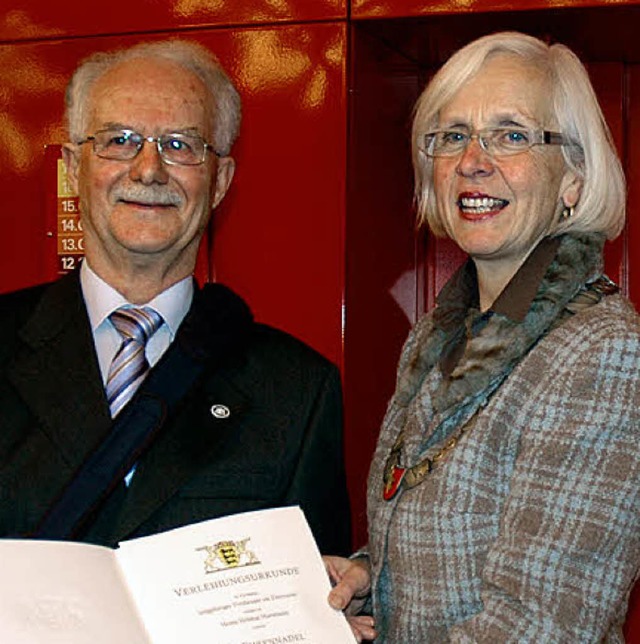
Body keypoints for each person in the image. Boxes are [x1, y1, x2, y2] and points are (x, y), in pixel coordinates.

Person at [326, 31, 640, 642]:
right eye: (453, 136)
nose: (473, 159)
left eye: (512, 134)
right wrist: (370, 573)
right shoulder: (436, 337)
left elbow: (541, 627)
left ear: (573, 180)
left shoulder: (603, 353)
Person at [0, 39, 350, 556]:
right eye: (119, 141)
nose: (148, 170)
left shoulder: (297, 390)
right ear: (73, 169)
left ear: (220, 181)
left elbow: (312, 609)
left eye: (180, 145)